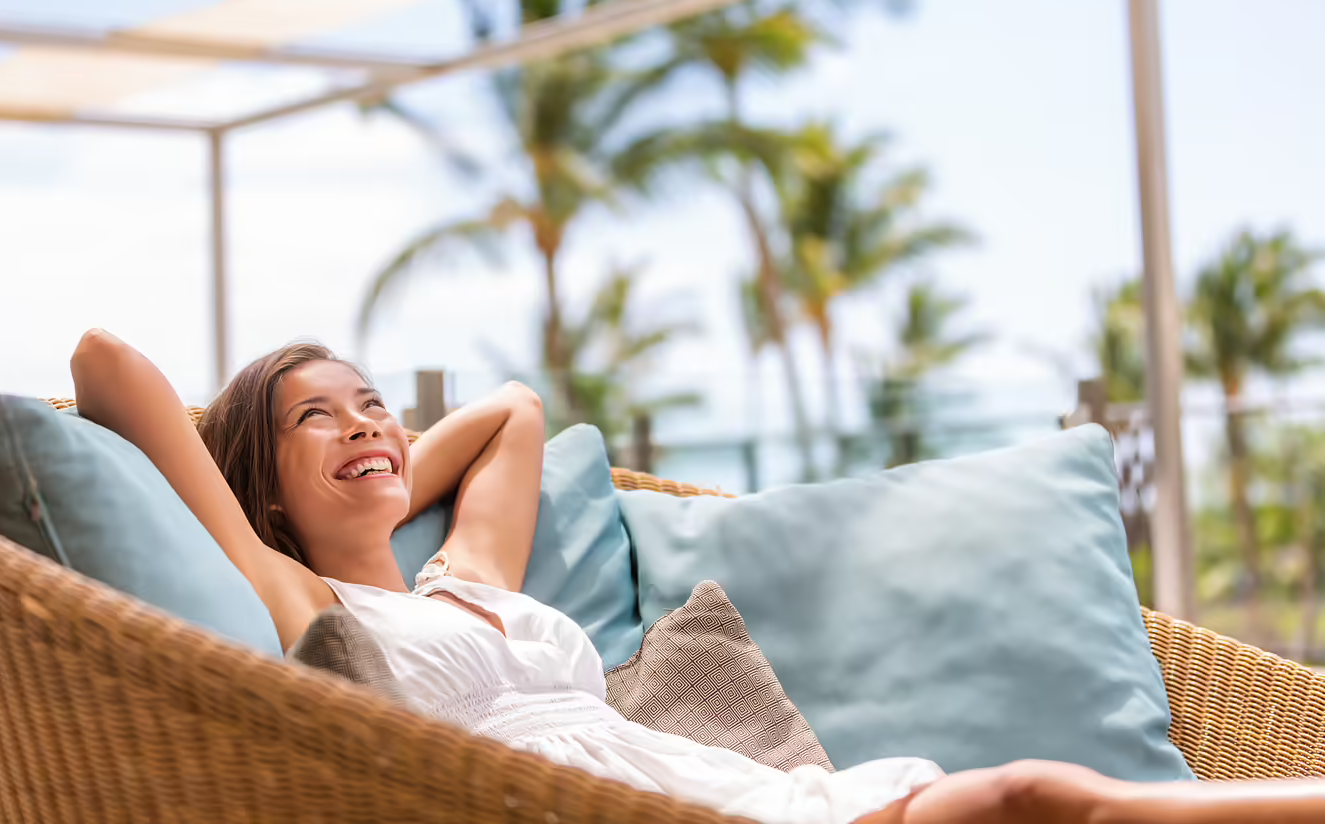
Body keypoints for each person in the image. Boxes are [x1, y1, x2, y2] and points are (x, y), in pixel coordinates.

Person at [70, 329, 1325, 824]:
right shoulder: (300, 606)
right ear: (259, 486)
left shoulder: (468, 571)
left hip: (715, 787)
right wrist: (275, 507)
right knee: (1035, 798)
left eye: (376, 406)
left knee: (1035, 802)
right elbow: (106, 366)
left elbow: (512, 408)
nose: (364, 429)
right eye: (317, 422)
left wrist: (386, 458)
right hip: (584, 809)